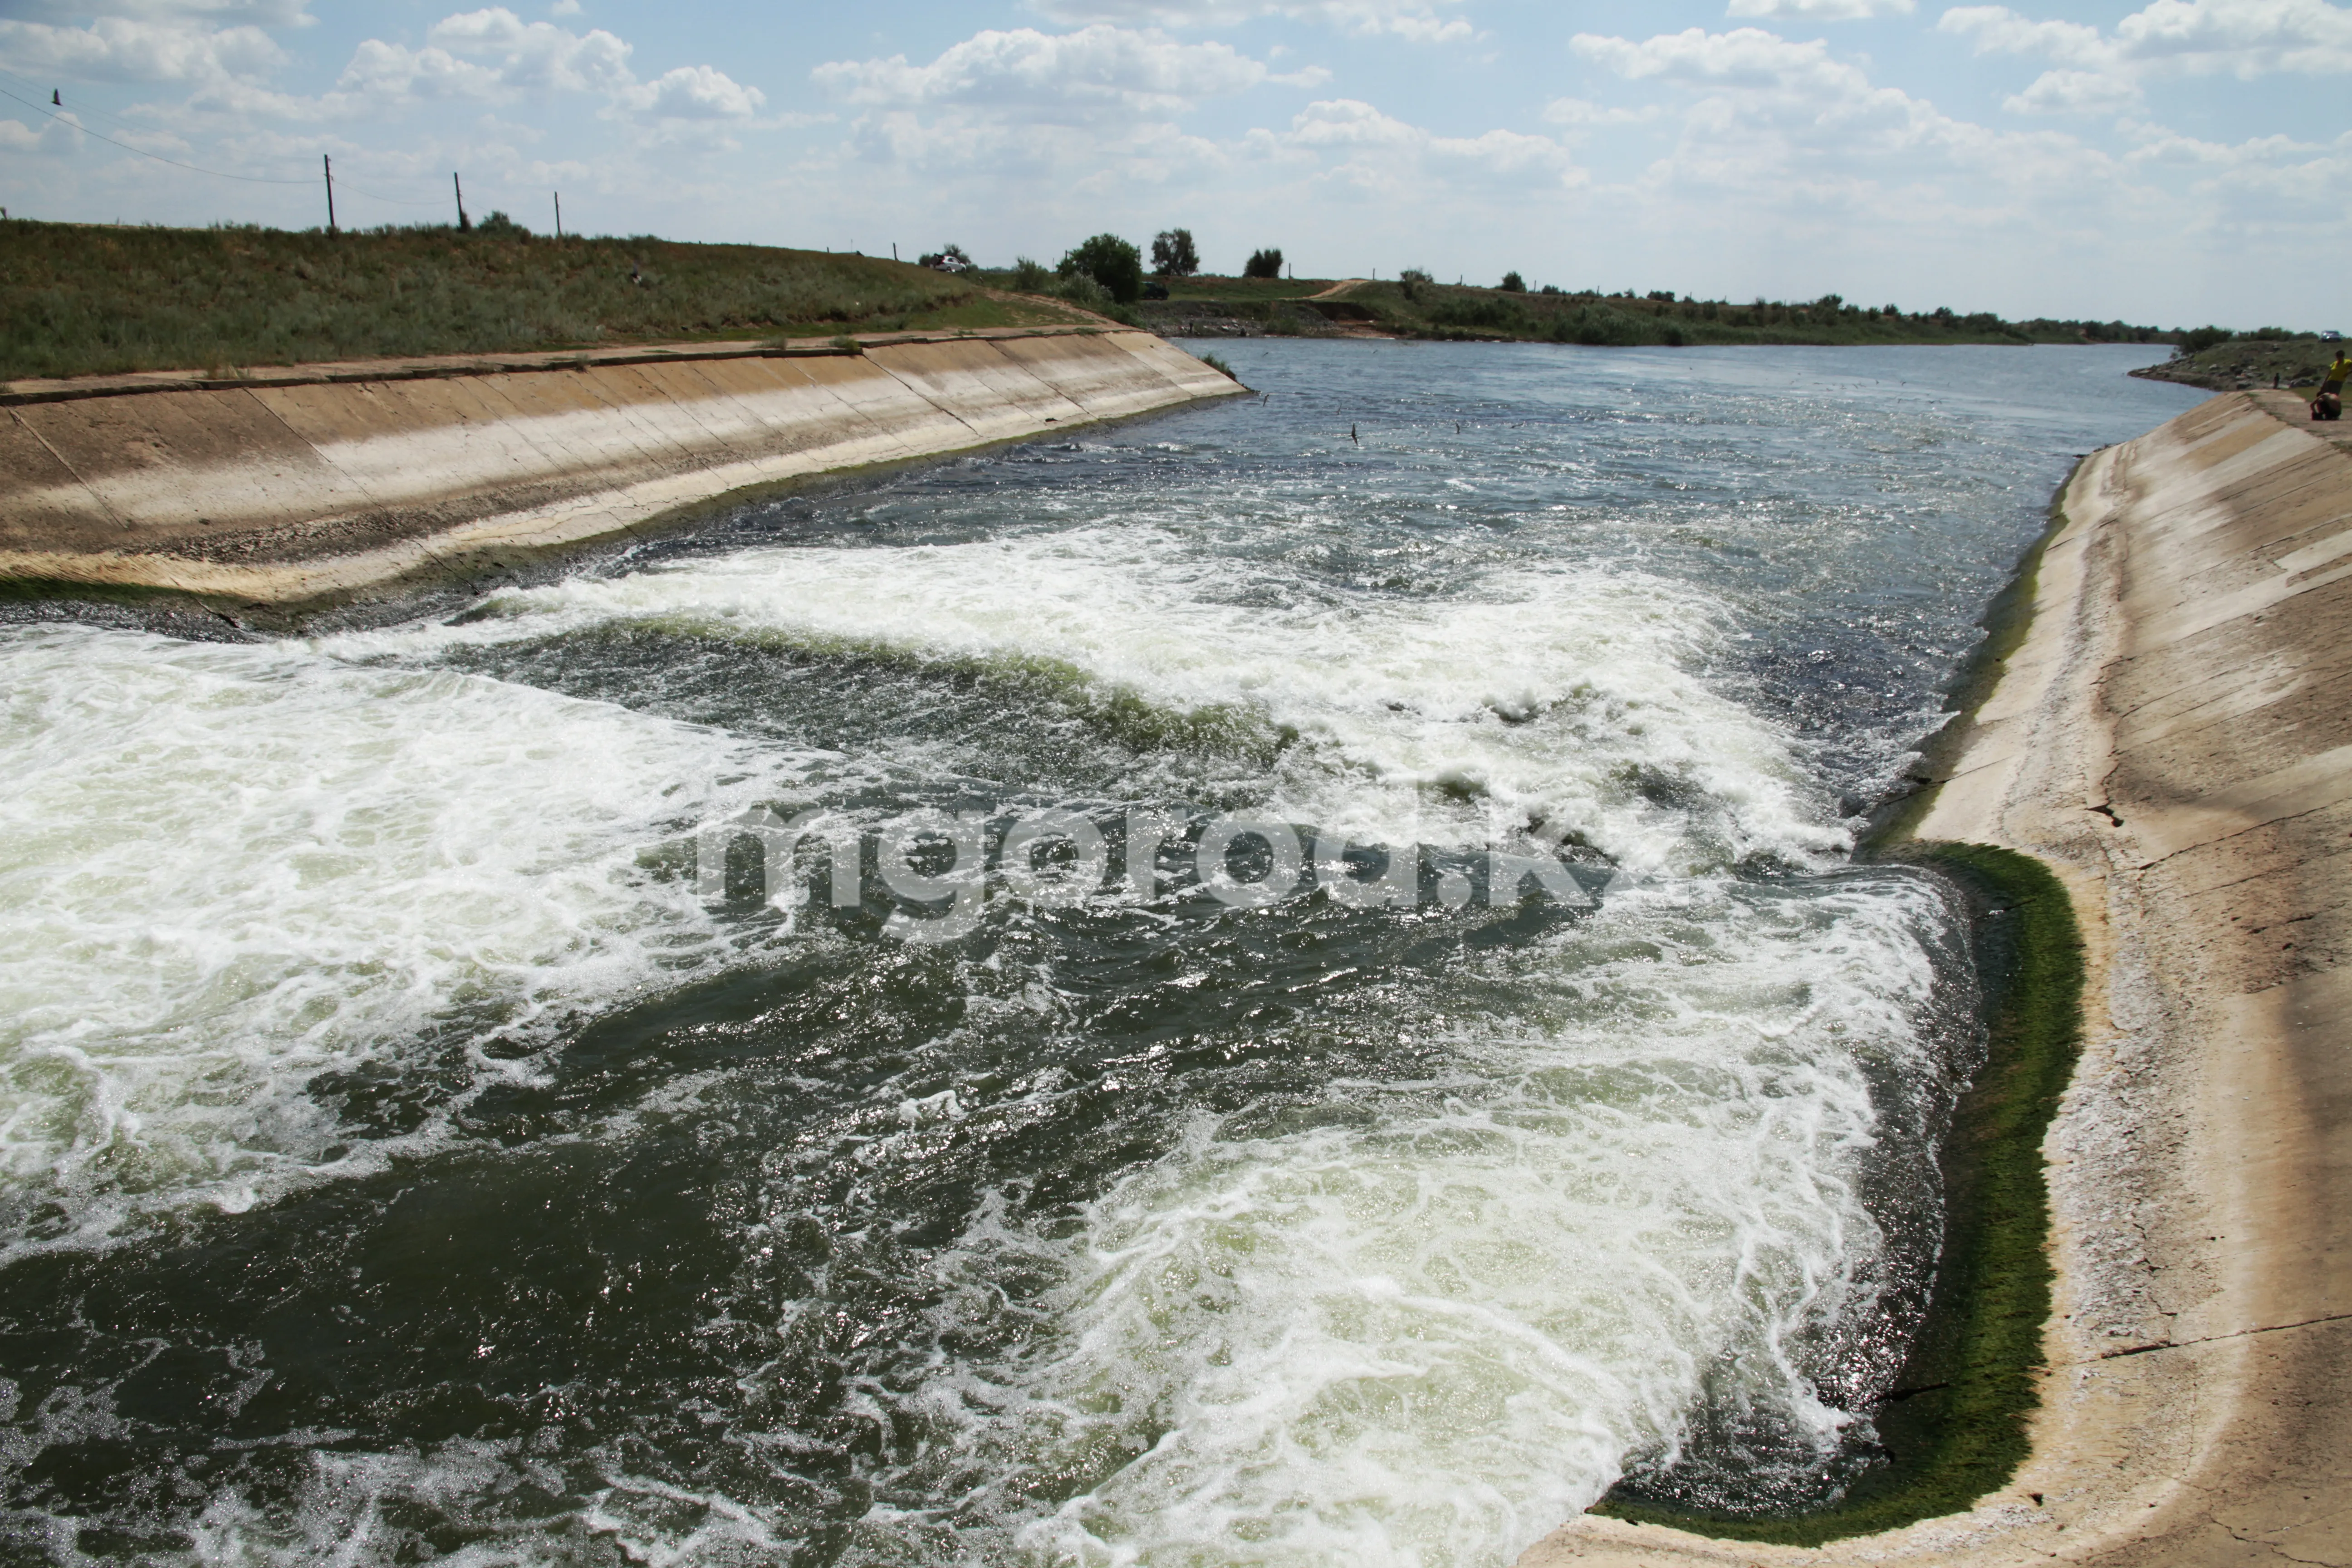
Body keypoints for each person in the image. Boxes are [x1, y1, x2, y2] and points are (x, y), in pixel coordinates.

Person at [2315, 350, 2352, 421]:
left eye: (2340, 357)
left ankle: (2334, 414)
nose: (2338, 358)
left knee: (2334, 398)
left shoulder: (2348, 362)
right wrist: (2324, 383)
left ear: (2342, 356)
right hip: (2330, 381)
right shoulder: (2334, 363)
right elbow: (2329, 374)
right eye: (2338, 357)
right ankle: (2326, 413)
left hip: (2338, 382)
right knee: (2325, 397)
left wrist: (2348, 373)